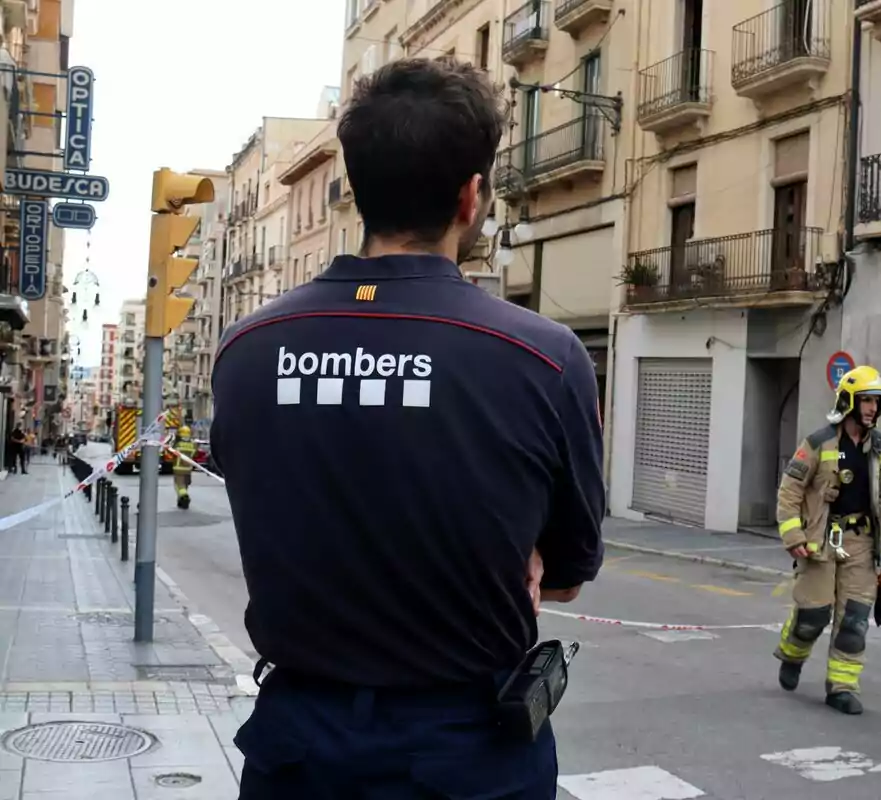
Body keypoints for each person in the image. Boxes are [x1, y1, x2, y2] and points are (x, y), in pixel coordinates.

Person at [209, 57, 606, 799]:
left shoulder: (245, 351)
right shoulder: (545, 359)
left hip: (297, 749)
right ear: (470, 195)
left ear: (356, 187)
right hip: (468, 756)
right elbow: (573, 570)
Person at [772, 365, 881, 716]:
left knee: (854, 622)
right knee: (812, 616)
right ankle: (792, 654)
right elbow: (790, 492)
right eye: (865, 401)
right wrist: (793, 535)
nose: (872, 409)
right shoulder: (818, 443)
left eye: (876, 402)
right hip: (821, 541)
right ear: (848, 401)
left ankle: (842, 688)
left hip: (862, 543)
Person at [172, 425, 196, 510]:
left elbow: (172, 452)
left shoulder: (178, 444)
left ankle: (184, 498)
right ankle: (180, 500)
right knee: (185, 485)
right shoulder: (192, 444)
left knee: (179, 486)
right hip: (188, 469)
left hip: (178, 468)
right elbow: (195, 454)